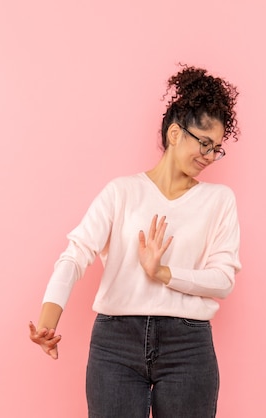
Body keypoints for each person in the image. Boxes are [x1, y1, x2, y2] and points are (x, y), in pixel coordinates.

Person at [29, 64, 241, 418]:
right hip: (116, 343)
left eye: (216, 148)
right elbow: (76, 253)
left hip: (188, 347)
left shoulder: (219, 200)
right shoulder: (122, 192)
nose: (208, 155)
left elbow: (223, 280)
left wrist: (164, 273)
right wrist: (49, 318)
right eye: (204, 142)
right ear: (175, 134)